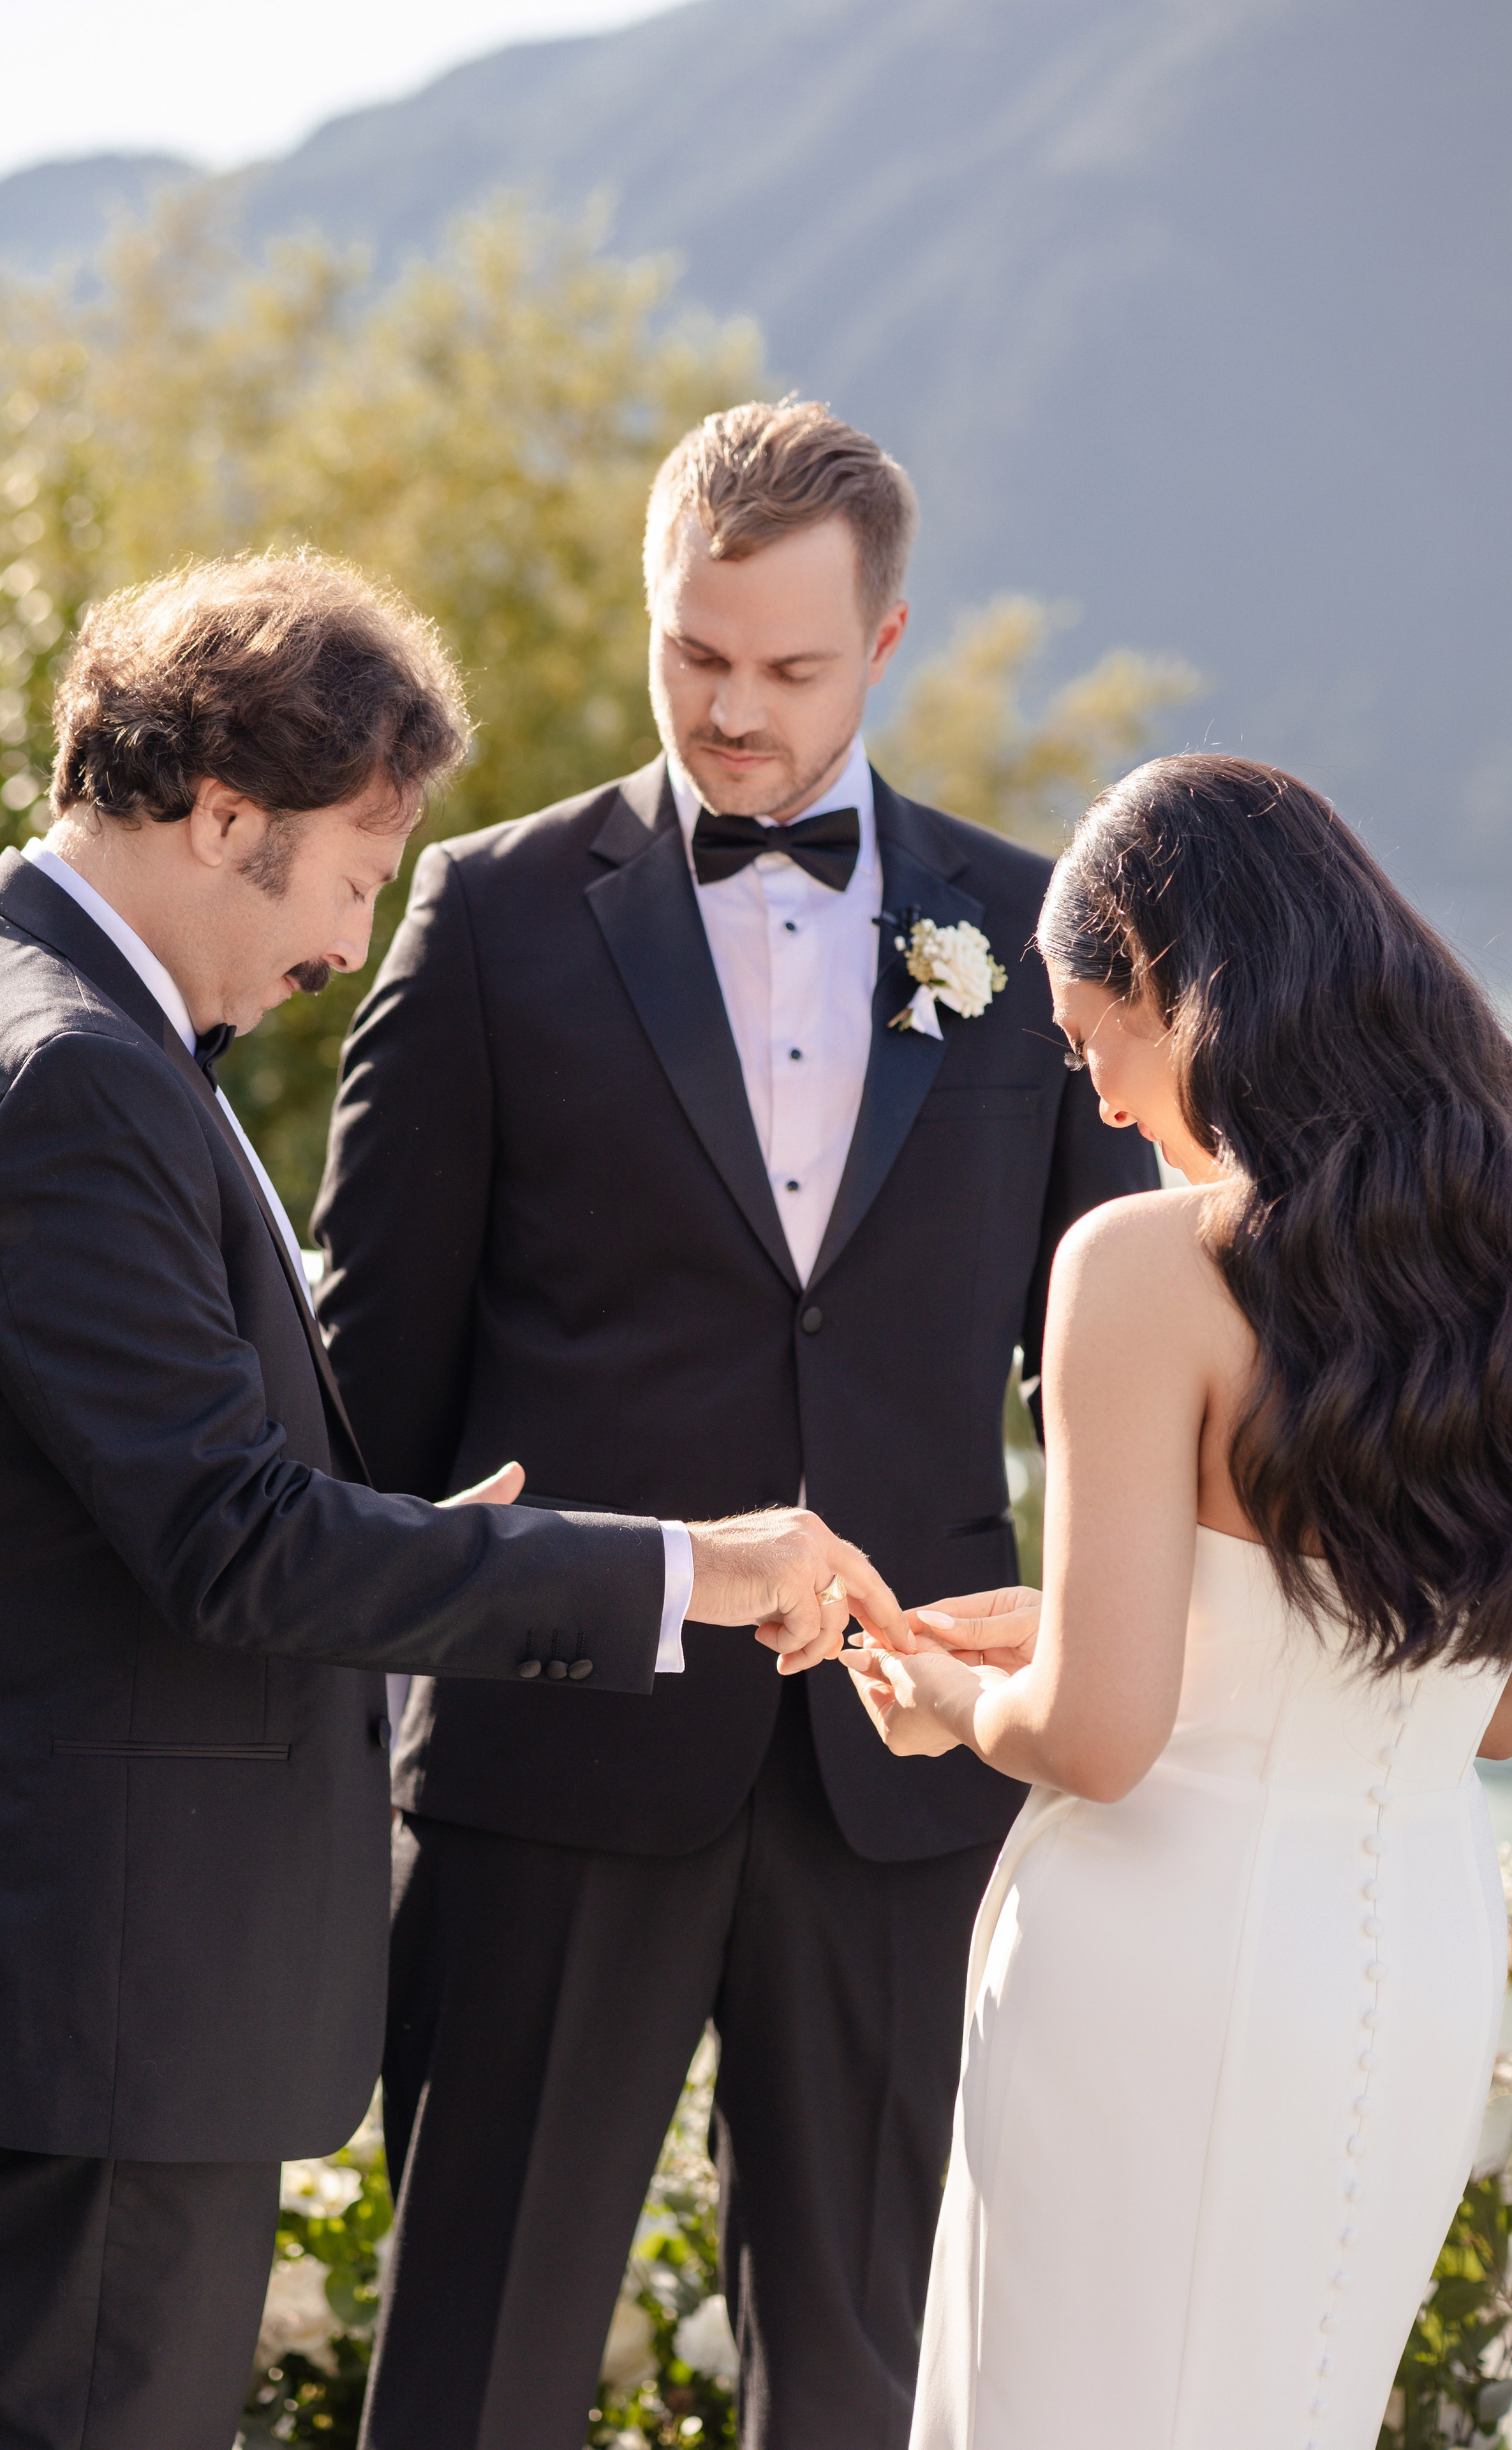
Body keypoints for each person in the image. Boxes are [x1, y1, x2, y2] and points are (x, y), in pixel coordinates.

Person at [0, 551, 900, 2450]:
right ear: (224, 817)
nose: (352, 942)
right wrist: (680, 1570)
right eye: (355, 877)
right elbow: (232, 1544)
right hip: (111, 1986)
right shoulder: (70, 1072)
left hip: (75, 1972)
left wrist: (428, 1532)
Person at [313, 401, 1154, 2449]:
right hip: (551, 1757)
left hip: (904, 1773)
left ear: (886, 646)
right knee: (476, 2374)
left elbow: (1118, 1362)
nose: (733, 712)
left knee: (867, 2379)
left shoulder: (1031, 933)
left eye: (788, 667)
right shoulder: (487, 919)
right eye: (694, 655)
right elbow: (369, 1394)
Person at [849, 754, 1512, 2450]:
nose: (1107, 1107)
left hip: (1159, 1968)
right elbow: (1481, 1698)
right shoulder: (1485, 1257)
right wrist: (1120, 1628)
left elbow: (1100, 1737)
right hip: (1417, 1969)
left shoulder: (1147, 1267)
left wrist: (945, 1699)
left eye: (1091, 1046)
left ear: (1170, 984)